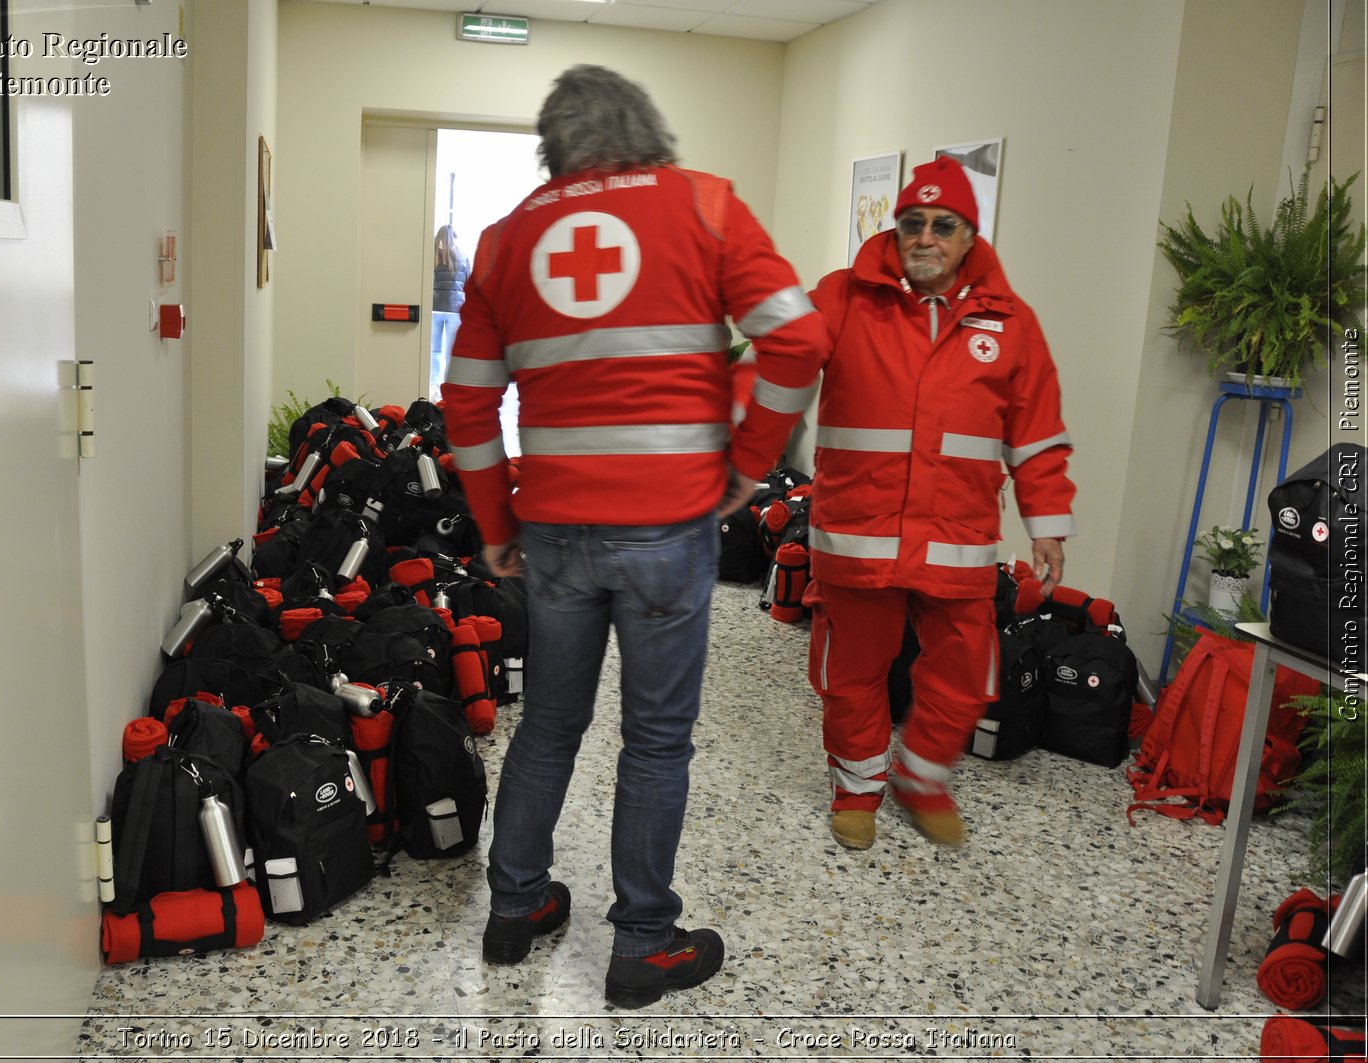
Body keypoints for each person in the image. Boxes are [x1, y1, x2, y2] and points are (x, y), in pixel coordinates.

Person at [441, 64, 827, 1008]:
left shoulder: (505, 238)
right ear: (648, 131)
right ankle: (643, 944)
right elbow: (800, 340)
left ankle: (514, 909)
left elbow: (466, 402)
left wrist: (498, 525)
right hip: (667, 527)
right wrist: (749, 458)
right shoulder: (705, 206)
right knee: (656, 742)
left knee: (549, 725)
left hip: (558, 530)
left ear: (554, 148)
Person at [805, 156, 1076, 850]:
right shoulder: (841, 298)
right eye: (912, 223)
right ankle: (858, 786)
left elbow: (1038, 433)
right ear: (896, 232)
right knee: (854, 671)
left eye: (942, 225)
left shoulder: (1013, 324)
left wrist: (1046, 524)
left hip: (957, 537)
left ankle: (922, 778)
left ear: (968, 239)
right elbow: (779, 367)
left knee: (964, 670)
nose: (925, 237)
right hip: (858, 534)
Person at [430, 225, 469, 393]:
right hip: (455, 309)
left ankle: (433, 387)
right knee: (450, 353)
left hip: (434, 307)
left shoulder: (431, 256)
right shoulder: (463, 256)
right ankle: (448, 388)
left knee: (434, 352)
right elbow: (468, 282)